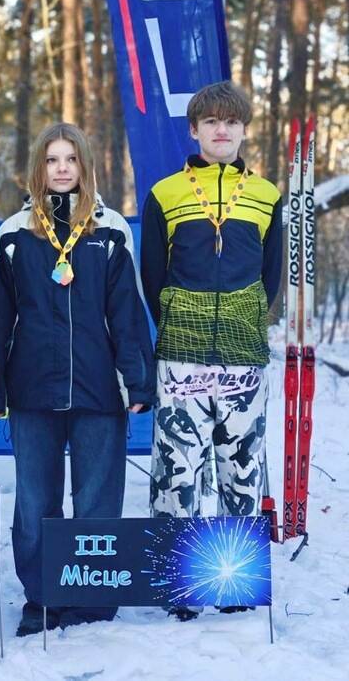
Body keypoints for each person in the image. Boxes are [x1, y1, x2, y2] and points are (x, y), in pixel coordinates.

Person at [0, 122, 155, 636]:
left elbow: (127, 312)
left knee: (96, 499)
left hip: (99, 386)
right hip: (32, 386)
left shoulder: (111, 229)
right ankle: (42, 597)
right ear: (38, 168)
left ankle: (90, 594)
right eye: (52, 160)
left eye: (71, 159)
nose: (62, 169)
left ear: (85, 165)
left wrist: (138, 379)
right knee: (35, 500)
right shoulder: (14, 232)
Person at [140, 81, 282, 621]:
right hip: (183, 352)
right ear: (194, 130)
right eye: (211, 122)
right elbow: (152, 274)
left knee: (240, 467)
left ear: (244, 130)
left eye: (231, 122)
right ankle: (178, 583)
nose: (222, 130)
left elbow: (271, 276)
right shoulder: (166, 193)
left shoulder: (266, 194)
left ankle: (235, 581)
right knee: (177, 467)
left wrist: (245, 320)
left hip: (243, 354)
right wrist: (182, 320)